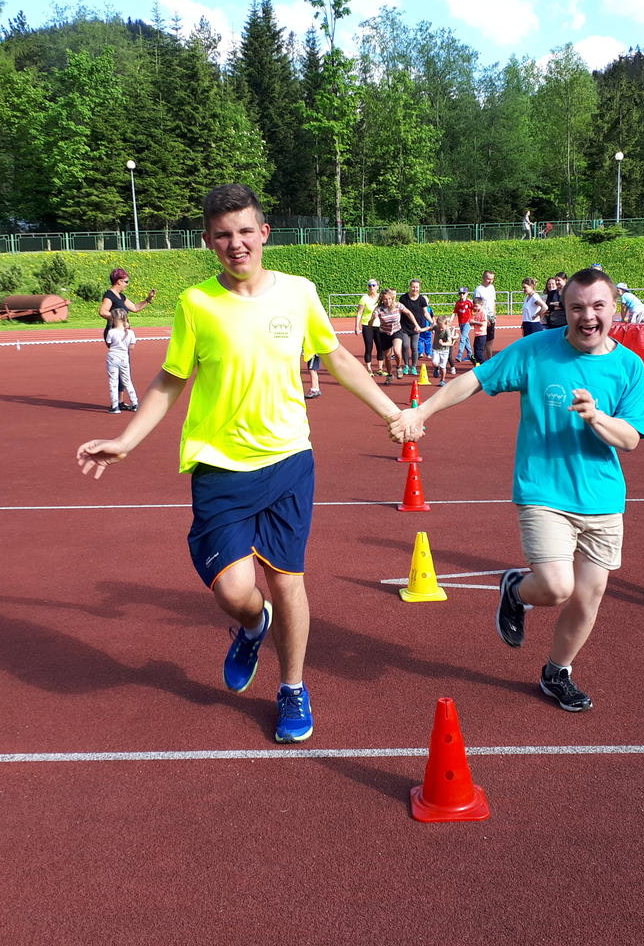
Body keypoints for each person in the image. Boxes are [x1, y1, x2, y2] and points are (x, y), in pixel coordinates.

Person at [76, 184, 403, 744]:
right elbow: (171, 379)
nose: (237, 243)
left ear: (264, 233)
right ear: (209, 241)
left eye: (246, 231)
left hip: (288, 458)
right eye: (223, 235)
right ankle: (252, 625)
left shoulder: (299, 292)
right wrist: (127, 439)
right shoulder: (196, 303)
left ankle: (292, 687)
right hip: (219, 464)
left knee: (288, 580)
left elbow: (338, 358)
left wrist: (392, 411)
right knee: (232, 590)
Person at [391, 268, 644, 712]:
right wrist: (422, 412)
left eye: (598, 306)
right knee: (555, 587)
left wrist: (596, 417)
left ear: (615, 309)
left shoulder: (630, 366)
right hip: (543, 491)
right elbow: (475, 379)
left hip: (603, 498)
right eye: (577, 307)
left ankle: (556, 672)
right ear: (564, 310)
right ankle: (516, 589)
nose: (588, 316)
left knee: (587, 598)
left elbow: (630, 439)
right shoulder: (536, 349)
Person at [100, 268, 156, 409]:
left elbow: (135, 308)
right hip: (114, 333)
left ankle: (120, 401)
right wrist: (118, 319)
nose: (127, 284)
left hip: (122, 333)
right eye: (126, 281)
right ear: (118, 281)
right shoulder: (109, 295)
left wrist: (148, 300)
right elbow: (103, 311)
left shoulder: (121, 297)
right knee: (119, 364)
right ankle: (118, 402)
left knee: (124, 364)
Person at [104, 308, 139, 413]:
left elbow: (109, 344)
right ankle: (135, 403)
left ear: (113, 319)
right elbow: (131, 347)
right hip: (124, 357)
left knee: (113, 381)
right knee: (127, 380)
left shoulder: (111, 332)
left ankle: (115, 406)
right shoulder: (130, 333)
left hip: (113, 356)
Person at [399, 279, 433, 375]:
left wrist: (432, 322)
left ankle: (413, 366)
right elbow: (400, 311)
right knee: (405, 346)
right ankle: (406, 365)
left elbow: (425, 313)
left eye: (417, 287)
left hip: (416, 327)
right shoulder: (403, 298)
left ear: (419, 288)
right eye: (413, 287)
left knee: (414, 347)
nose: (415, 289)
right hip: (404, 327)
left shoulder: (422, 299)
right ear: (410, 287)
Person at [355, 278, 382, 376]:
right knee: (368, 346)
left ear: (377, 287)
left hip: (379, 325)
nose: (372, 287)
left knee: (380, 346)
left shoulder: (381, 297)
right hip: (367, 325)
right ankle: (369, 369)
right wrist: (357, 326)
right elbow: (359, 313)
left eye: (374, 285)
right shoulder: (364, 298)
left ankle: (380, 368)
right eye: (369, 285)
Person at [430, 314, 457, 385]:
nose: (440, 329)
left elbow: (450, 342)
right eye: (439, 327)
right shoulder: (436, 327)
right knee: (434, 362)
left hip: (445, 351)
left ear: (446, 325)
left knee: (443, 367)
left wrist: (443, 343)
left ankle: (442, 380)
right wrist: (421, 329)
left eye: (442, 327)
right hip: (436, 349)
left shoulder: (447, 331)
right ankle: (436, 368)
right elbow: (429, 328)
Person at [474, 270, 498, 350]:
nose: (490, 281)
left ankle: (489, 357)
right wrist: (484, 318)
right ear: (483, 278)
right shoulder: (478, 290)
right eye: (488, 279)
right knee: (482, 340)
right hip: (483, 317)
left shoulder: (492, 287)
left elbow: (493, 301)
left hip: (491, 317)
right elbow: (476, 306)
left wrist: (494, 314)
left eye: (492, 279)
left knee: (490, 340)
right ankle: (481, 356)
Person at [452, 287, 474, 370]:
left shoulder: (469, 302)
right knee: (466, 339)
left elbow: (475, 309)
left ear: (467, 293)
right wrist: (450, 321)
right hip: (461, 323)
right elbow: (454, 313)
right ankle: (470, 354)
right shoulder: (458, 303)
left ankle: (459, 355)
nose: (462, 295)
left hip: (467, 323)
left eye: (463, 293)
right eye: (460, 293)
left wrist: (474, 319)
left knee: (462, 338)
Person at [469, 295, 491, 365]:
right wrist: (471, 323)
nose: (474, 308)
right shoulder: (476, 312)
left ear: (481, 305)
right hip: (477, 334)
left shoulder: (483, 312)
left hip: (482, 335)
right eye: (474, 306)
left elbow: (483, 323)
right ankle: (478, 364)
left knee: (479, 353)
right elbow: (474, 323)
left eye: (476, 306)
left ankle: (484, 365)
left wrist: (474, 322)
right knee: (476, 351)